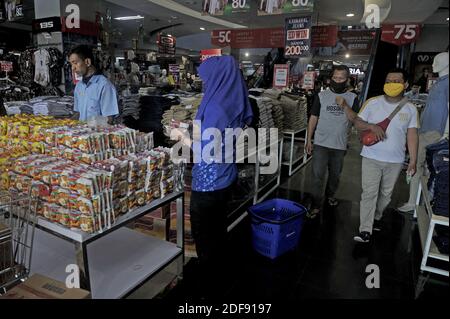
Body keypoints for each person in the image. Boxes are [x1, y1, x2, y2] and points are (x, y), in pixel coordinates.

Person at [190, 55, 253, 297]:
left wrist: (180, 136)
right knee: (217, 230)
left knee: (205, 237)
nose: (204, 82)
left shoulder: (215, 106)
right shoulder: (231, 99)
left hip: (208, 181)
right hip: (225, 175)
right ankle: (220, 275)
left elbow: (204, 148)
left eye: (206, 78)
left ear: (217, 77)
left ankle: (210, 287)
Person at [351, 68, 419, 243]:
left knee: (386, 195)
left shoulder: (410, 109)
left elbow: (412, 135)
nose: (391, 84)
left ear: (405, 85)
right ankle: (365, 229)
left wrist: (413, 159)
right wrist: (372, 127)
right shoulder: (372, 102)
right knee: (369, 193)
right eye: (388, 81)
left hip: (395, 161)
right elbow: (357, 123)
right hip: (371, 157)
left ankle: (376, 216)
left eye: (396, 81)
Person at [305, 65, 359, 219]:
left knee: (335, 175)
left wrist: (344, 105)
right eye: (335, 78)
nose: (338, 81)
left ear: (347, 80)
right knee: (317, 175)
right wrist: (309, 139)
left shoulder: (353, 98)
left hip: (339, 144)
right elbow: (313, 117)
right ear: (331, 78)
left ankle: (330, 195)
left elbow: (355, 120)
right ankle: (315, 204)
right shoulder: (322, 96)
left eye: (341, 78)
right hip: (321, 143)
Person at [398, 52, 449, 213]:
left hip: (435, 132)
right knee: (417, 164)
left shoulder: (447, 83)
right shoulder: (438, 83)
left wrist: (446, 133)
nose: (433, 64)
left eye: (437, 61)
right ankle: (414, 202)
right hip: (426, 130)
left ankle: (422, 204)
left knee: (427, 167)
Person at [69, 45, 119, 122]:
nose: (73, 68)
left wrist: (92, 125)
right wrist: (66, 124)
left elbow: (109, 119)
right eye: (71, 64)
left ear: (87, 62)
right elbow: (78, 113)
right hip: (81, 133)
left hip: (98, 133)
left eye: (75, 63)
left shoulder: (104, 85)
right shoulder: (79, 86)